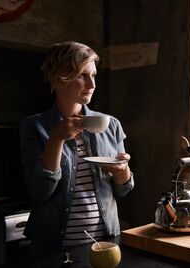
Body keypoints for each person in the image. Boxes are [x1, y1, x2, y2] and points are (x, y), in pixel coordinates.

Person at [19, 41, 134, 258]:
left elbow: (123, 190)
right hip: (53, 249)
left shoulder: (111, 125)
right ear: (60, 77)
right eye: (83, 75)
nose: (92, 84)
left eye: (94, 75)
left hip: (105, 244)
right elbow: (40, 192)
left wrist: (121, 170)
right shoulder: (35, 126)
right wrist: (57, 138)